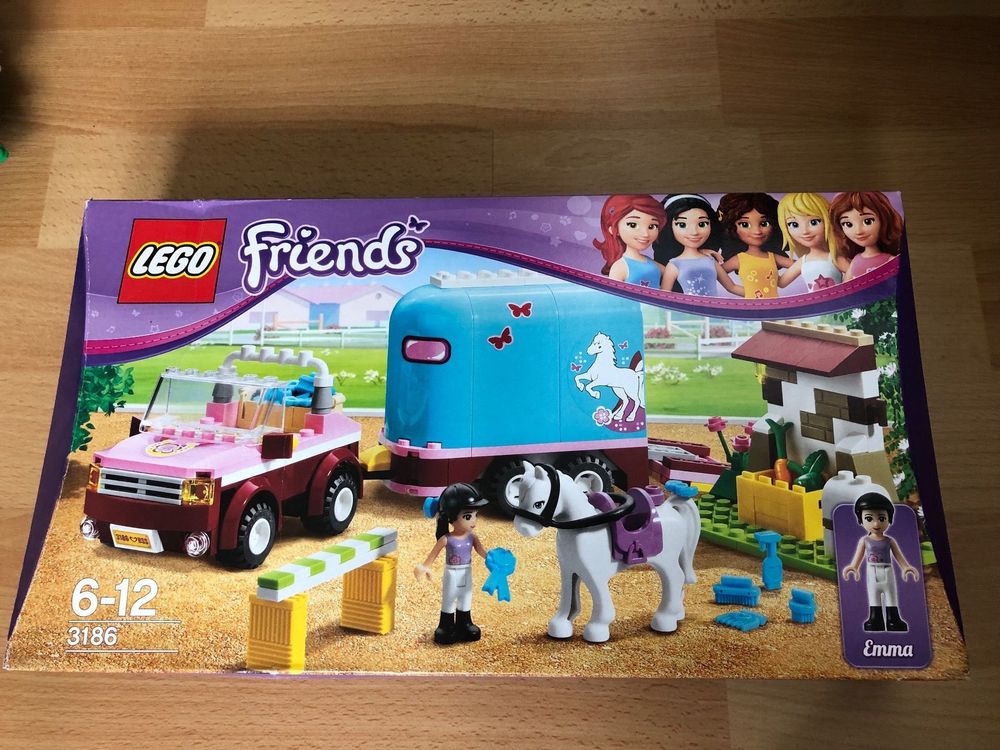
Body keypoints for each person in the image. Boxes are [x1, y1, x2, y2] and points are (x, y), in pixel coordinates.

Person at [414, 482, 490, 644]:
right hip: (451, 573)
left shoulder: (472, 537)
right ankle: (446, 626)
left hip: (467, 572)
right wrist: (425, 567)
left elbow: (482, 552)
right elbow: (433, 555)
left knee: (465, 597)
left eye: (475, 515)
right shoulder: (446, 539)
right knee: (449, 598)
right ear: (451, 517)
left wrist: (493, 559)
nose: (474, 521)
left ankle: (465, 623)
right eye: (468, 516)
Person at [841, 493, 919, 632]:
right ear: (861, 519)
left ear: (889, 519)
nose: (876, 524)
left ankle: (893, 619)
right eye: (869, 518)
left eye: (881, 518)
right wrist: (854, 567)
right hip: (872, 571)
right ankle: (875, 619)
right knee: (873, 595)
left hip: (888, 571)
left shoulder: (890, 541)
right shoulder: (864, 541)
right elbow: (858, 556)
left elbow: (898, 555)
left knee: (891, 595)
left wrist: (906, 567)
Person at [653, 193, 744, 297]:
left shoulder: (710, 261)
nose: (694, 232)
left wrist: (758, 296)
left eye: (702, 224)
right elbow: (665, 295)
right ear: (669, 227)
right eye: (682, 225)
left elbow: (732, 287)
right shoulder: (674, 265)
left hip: (713, 306)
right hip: (687, 307)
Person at [718, 192, 795, 299]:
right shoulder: (739, 259)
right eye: (744, 224)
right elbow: (719, 276)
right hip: (752, 305)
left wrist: (810, 254)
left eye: (764, 223)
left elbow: (798, 267)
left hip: (775, 305)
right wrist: (748, 292)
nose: (757, 231)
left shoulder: (772, 257)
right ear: (731, 228)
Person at [775, 192, 847, 293]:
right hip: (815, 302)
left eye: (814, 222)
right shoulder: (803, 261)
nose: (805, 231)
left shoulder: (834, 259)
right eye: (794, 224)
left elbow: (855, 275)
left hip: (837, 300)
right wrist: (769, 259)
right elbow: (781, 283)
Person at [592, 194, 667, 287]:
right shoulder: (620, 267)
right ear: (613, 229)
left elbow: (669, 273)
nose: (645, 234)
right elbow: (613, 294)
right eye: (632, 225)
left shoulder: (650, 262)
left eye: (652, 226)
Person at [830, 191, 903, 281]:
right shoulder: (855, 261)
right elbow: (847, 285)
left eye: (867, 221)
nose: (858, 231)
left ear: (884, 221)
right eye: (848, 224)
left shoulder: (891, 260)